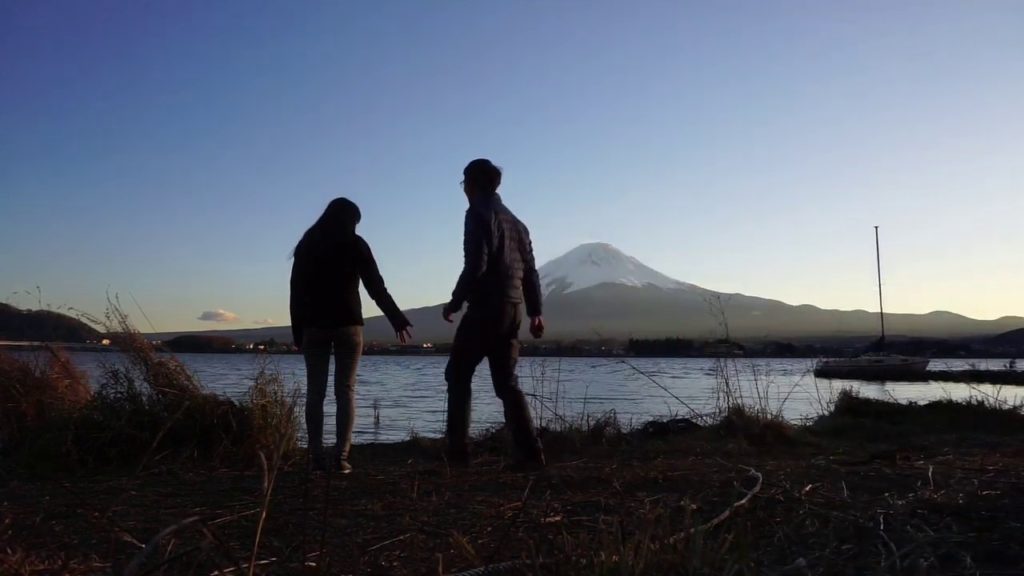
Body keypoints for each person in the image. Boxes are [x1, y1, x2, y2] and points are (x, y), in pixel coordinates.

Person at [290, 198, 412, 473]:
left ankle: (315, 457)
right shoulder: (356, 244)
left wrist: (298, 331)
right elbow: (375, 286)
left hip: (314, 327)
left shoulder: (308, 244)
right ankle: (341, 457)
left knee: (315, 392)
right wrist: (396, 317)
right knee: (345, 390)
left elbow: (295, 291)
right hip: (349, 325)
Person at [442, 159, 546, 468]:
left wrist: (455, 301)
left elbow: (476, 264)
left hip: (486, 307)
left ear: (471, 184)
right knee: (506, 383)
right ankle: (530, 455)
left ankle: (458, 454)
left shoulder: (477, 214)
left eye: (464, 184)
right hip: (513, 310)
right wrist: (535, 311)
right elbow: (530, 271)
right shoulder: (517, 223)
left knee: (458, 374)